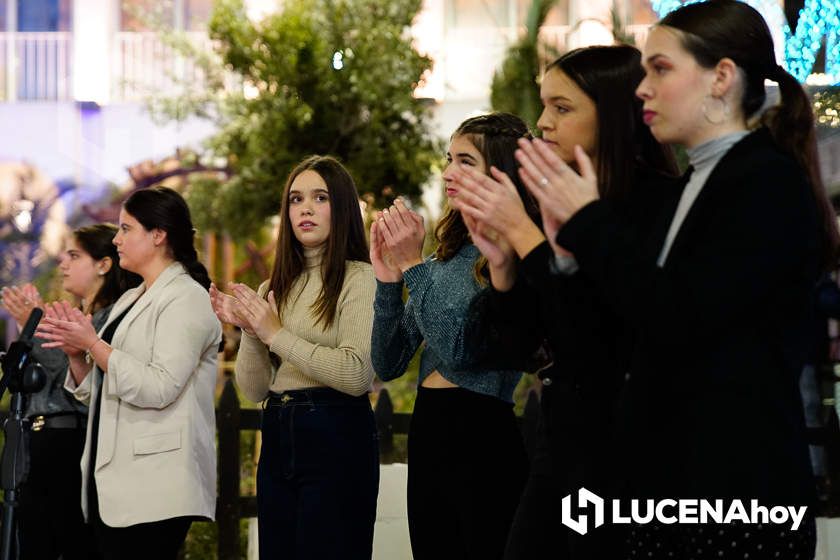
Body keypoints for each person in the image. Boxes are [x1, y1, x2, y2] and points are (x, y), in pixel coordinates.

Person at [513, 1, 839, 557]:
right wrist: (564, 253)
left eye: (660, 69)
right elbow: (623, 331)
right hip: (674, 490)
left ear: (721, 78)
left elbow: (682, 318)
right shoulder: (701, 179)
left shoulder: (764, 182)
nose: (642, 88)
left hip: (736, 497)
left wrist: (587, 224)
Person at [448, 46, 678, 559]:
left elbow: (603, 339)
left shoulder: (658, 205)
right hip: (561, 440)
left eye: (562, 107)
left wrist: (526, 238)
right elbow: (523, 346)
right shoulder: (548, 204)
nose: (543, 123)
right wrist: (505, 267)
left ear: (614, 112)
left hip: (625, 452)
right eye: (543, 105)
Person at [370, 112, 534, 560]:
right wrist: (388, 281)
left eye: (465, 161)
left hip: (482, 431)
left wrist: (411, 267)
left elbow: (461, 351)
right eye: (449, 159)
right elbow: (388, 362)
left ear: (500, 173)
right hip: (430, 428)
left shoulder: (514, 250)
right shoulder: (448, 254)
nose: (447, 174)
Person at [35, 187, 222, 560]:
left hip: (156, 485)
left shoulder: (186, 297)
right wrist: (78, 356)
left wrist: (94, 344)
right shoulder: (132, 298)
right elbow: (103, 388)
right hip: (118, 483)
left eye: (126, 229)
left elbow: (158, 387)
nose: (116, 239)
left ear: (158, 235)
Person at [210, 155, 379, 560]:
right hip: (279, 432)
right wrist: (251, 333)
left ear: (341, 207)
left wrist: (276, 334)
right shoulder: (275, 285)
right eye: (295, 199)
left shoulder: (362, 278)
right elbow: (254, 390)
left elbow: (356, 374)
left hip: (337, 435)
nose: (304, 208)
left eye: (320, 198)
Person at [1, 224, 140, 560]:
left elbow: (75, 378)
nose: (62, 263)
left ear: (104, 264)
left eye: (74, 255)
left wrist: (32, 326)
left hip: (70, 441)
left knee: (67, 540)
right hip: (37, 440)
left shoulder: (111, 319)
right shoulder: (76, 316)